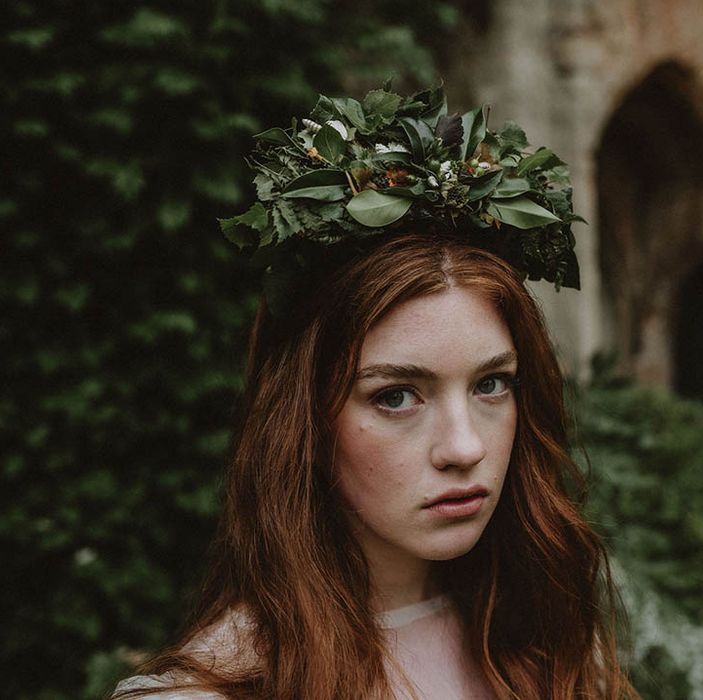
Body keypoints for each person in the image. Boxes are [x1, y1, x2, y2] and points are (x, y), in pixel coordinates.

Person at [113, 85, 637, 699]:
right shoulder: (210, 694)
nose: (464, 447)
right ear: (304, 416)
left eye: (491, 384)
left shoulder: (550, 642)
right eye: (396, 396)